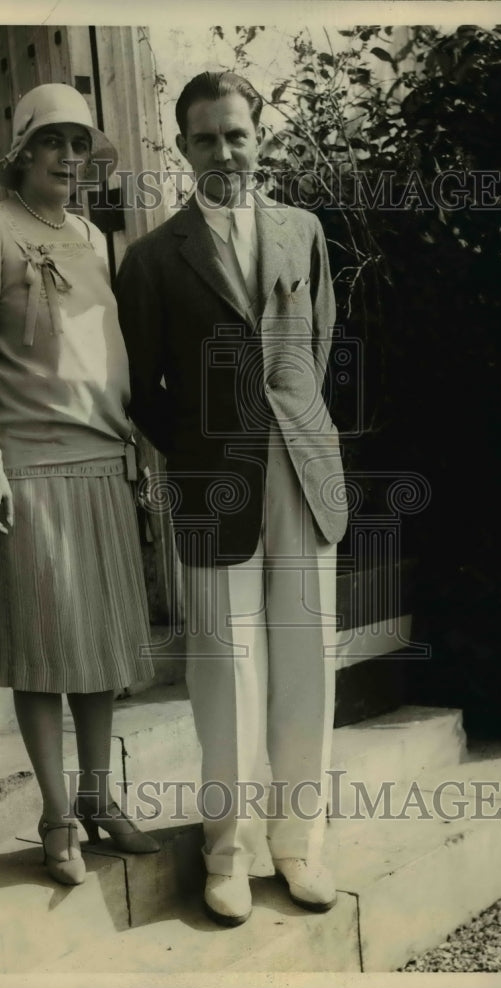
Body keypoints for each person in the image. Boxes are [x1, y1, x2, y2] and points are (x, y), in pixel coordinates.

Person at [116, 70, 348, 926]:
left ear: (259, 138)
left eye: (236, 134)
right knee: (226, 668)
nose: (224, 152)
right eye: (206, 138)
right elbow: (141, 388)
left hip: (303, 468)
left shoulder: (302, 231)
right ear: (182, 149)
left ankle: (299, 846)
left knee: (306, 659)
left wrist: (289, 428)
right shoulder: (152, 258)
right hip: (213, 481)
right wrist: (200, 452)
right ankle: (229, 854)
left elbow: (317, 344)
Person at [0, 83, 160, 888]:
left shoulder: (95, 239)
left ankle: (99, 797)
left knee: (98, 651)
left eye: (80, 144)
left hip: (102, 464)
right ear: (23, 152)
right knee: (41, 652)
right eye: (54, 142)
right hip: (27, 469)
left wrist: (134, 447)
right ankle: (55, 816)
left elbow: (108, 357)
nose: (69, 158)